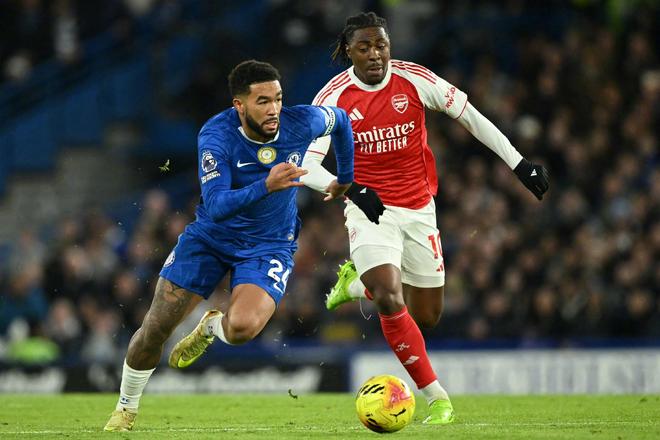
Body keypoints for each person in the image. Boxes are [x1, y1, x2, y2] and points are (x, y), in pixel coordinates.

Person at [301, 12, 549, 425]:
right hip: (368, 209)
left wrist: (520, 164)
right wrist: (353, 190)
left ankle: (358, 284)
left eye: (381, 45)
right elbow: (305, 165)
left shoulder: (414, 79)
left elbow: (470, 116)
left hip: (418, 209)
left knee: (427, 315)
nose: (375, 54)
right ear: (348, 51)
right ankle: (437, 398)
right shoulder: (333, 98)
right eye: (364, 47)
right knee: (389, 296)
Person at [104, 59, 360, 432]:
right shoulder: (217, 135)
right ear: (239, 105)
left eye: (278, 98)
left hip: (268, 245)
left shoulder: (301, 121)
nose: (274, 109)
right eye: (262, 101)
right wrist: (266, 185)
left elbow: (342, 120)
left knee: (242, 329)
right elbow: (218, 204)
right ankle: (125, 408)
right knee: (156, 327)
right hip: (211, 238)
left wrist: (346, 177)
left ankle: (210, 328)